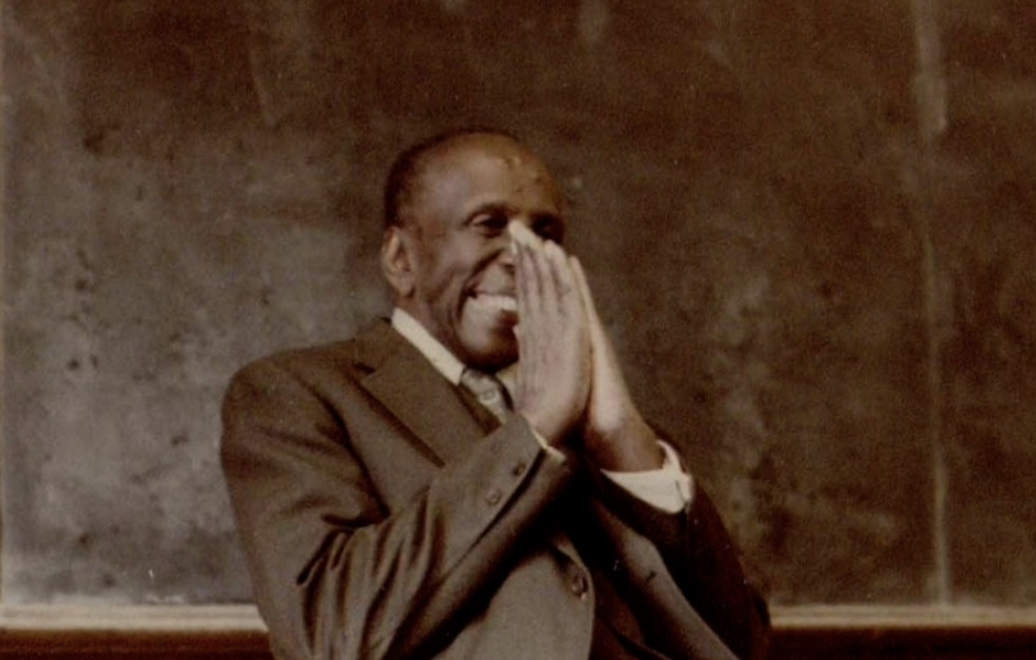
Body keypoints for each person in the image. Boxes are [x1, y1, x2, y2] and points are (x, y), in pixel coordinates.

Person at [221, 130, 769, 659]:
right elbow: (331, 634)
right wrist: (533, 434)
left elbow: (738, 645)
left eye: (546, 234)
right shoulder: (296, 393)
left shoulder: (611, 433)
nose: (521, 253)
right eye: (489, 225)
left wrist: (627, 445)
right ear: (401, 260)